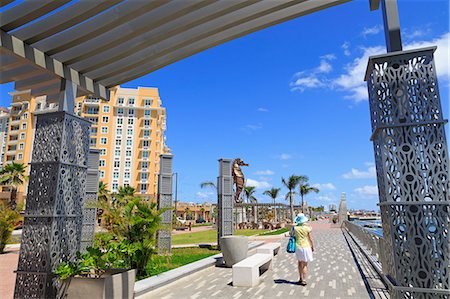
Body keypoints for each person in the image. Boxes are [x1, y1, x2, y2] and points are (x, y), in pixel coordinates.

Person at [292, 213, 314, 286]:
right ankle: (304, 280)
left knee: (299, 263)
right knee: (305, 264)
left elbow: (292, 235)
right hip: (306, 246)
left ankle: (300, 278)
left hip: (298, 247)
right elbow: (310, 239)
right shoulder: (308, 228)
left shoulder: (295, 228)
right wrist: (312, 246)